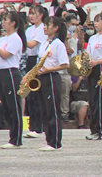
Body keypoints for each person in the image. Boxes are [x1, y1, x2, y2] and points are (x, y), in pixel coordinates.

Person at [22, 16, 69, 151]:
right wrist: (27, 75)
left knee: (52, 111)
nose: (45, 27)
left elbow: (65, 64)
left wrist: (49, 69)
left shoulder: (58, 44)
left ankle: (55, 142)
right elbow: (38, 63)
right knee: (44, 110)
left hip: (52, 77)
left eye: (48, 25)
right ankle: (49, 140)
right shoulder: (44, 44)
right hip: (41, 78)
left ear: (56, 28)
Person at [0, 11, 27, 149]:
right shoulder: (3, 39)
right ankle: (12, 136)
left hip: (10, 72)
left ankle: (16, 138)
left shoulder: (15, 38)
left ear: (13, 23)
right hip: (1, 72)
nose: (3, 22)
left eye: (6, 20)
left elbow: (5, 54)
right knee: (7, 106)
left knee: (14, 106)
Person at [85, 13, 102, 140]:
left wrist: (96, 62)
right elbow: (88, 54)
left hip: (101, 68)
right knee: (92, 100)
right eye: (95, 21)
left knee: (99, 100)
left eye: (98, 21)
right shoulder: (92, 38)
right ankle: (94, 129)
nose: (95, 23)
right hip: (92, 69)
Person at [23, 5, 48, 138]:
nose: (31, 16)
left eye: (34, 13)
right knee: (30, 95)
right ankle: (32, 126)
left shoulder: (42, 28)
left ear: (41, 15)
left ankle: (38, 127)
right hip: (29, 59)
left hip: (37, 59)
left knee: (36, 94)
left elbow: (32, 44)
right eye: (30, 13)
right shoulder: (29, 29)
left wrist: (20, 36)